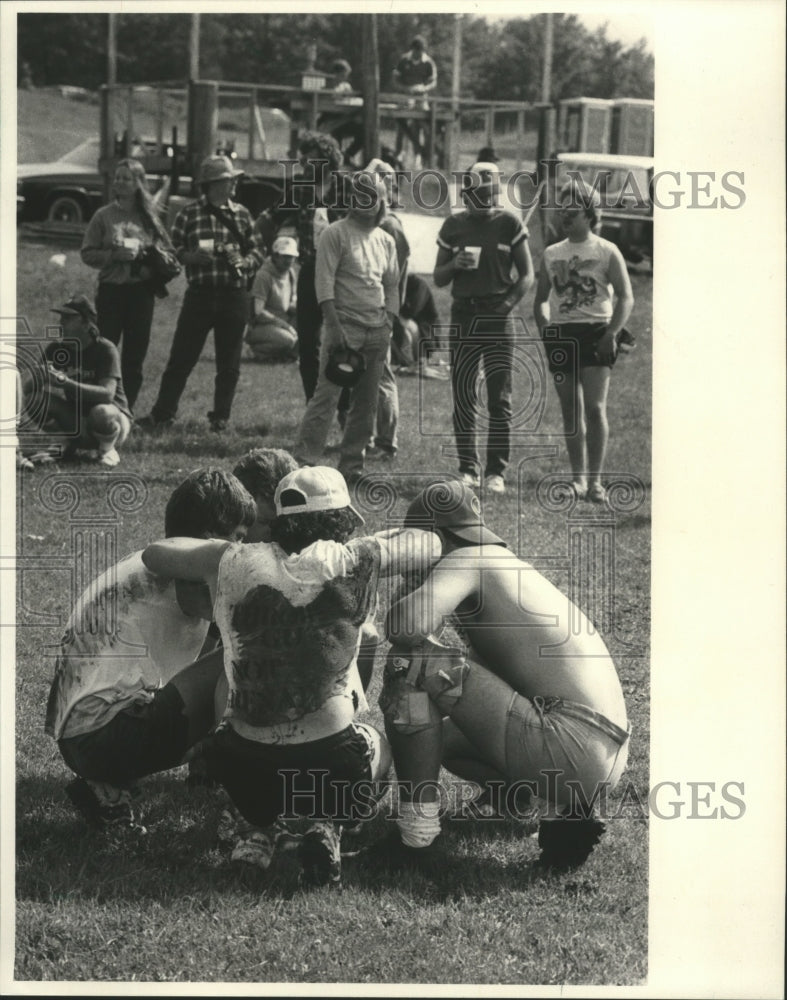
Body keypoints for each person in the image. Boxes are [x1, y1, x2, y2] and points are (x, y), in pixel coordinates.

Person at [141, 465, 443, 886]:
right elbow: (429, 543)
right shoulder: (357, 558)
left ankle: (258, 832)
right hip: (333, 763)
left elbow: (155, 552)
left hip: (243, 765)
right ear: (339, 522)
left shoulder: (230, 560)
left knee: (251, 738)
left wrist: (223, 549)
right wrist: (364, 543)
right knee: (380, 747)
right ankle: (328, 824)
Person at [383, 480, 631, 869]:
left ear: (430, 540)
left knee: (410, 663)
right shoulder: (508, 568)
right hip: (607, 755)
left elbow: (405, 629)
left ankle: (417, 838)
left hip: (568, 743)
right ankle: (539, 805)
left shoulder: (466, 561)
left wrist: (413, 583)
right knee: (438, 743)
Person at [44, 469, 257, 831]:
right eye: (238, 538)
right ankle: (243, 796)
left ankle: (107, 787)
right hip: (112, 733)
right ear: (210, 537)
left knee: (228, 649)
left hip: (78, 740)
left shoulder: (144, 563)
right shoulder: (190, 574)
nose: (244, 549)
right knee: (244, 657)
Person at [138, 155, 264, 433]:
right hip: (200, 295)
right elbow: (172, 252)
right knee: (181, 358)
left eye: (233, 180)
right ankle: (163, 413)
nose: (234, 184)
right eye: (229, 180)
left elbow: (257, 250)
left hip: (234, 294)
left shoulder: (242, 214)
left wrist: (245, 263)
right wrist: (191, 257)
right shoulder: (188, 214)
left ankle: (221, 418)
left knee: (229, 362)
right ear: (214, 184)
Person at [433, 161, 534, 495]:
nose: (484, 199)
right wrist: (453, 263)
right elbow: (438, 277)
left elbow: (527, 275)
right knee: (462, 394)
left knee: (499, 398)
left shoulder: (509, 224)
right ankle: (468, 468)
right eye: (478, 193)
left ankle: (496, 471)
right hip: (464, 314)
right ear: (467, 193)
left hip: (497, 315)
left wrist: (507, 306)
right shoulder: (453, 225)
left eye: (489, 193)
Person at [293, 171, 399, 485]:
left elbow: (392, 285)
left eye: (372, 196)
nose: (364, 201)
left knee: (366, 402)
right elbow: (323, 284)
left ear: (381, 200)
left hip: (377, 329)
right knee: (326, 396)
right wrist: (334, 325)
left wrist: (389, 321)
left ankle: (352, 465)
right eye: (359, 194)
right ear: (351, 198)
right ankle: (304, 460)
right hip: (344, 326)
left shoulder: (386, 240)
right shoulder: (335, 233)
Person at [532, 181, 635, 503]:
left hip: (596, 334)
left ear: (589, 214)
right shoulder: (551, 253)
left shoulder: (606, 250)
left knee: (594, 407)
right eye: (561, 211)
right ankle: (577, 479)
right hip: (562, 335)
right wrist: (546, 328)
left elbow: (627, 298)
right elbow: (540, 300)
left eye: (572, 211)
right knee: (570, 409)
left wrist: (611, 334)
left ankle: (596, 481)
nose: (565, 217)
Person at [256, 132, 346, 400]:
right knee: (309, 344)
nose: (306, 163)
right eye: (303, 158)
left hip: (343, 274)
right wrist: (258, 246)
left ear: (328, 159)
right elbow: (269, 218)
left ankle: (343, 405)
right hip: (311, 270)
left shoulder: (348, 186)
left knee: (343, 340)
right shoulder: (300, 187)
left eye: (312, 158)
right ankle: (314, 404)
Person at [80, 158, 175, 412]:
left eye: (126, 178)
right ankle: (96, 407)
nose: (120, 182)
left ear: (138, 184)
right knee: (105, 351)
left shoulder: (150, 218)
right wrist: (113, 256)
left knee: (134, 357)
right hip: (111, 292)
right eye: (118, 177)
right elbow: (87, 252)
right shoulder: (104, 216)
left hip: (141, 294)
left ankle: (125, 410)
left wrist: (150, 268)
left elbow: (168, 253)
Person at [24, 294, 133, 468]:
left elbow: (107, 394)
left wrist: (67, 383)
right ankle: (64, 444)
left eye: (68, 318)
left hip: (112, 421)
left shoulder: (104, 349)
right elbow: (26, 390)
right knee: (34, 400)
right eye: (61, 317)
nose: (61, 322)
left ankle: (107, 450)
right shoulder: (57, 349)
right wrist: (40, 376)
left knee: (101, 412)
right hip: (78, 420)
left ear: (86, 323)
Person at [245, 236, 299, 363]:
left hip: (281, 322)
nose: (288, 260)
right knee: (288, 340)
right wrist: (285, 325)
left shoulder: (290, 273)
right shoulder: (264, 276)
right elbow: (258, 312)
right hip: (260, 325)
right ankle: (256, 351)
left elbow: (291, 302)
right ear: (275, 256)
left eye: (291, 257)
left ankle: (287, 356)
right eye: (284, 256)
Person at [392, 34, 438, 166]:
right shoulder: (404, 60)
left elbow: (433, 82)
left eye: (421, 51)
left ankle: (425, 156)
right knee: (401, 124)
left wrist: (424, 89)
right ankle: (399, 152)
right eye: (416, 51)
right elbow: (395, 78)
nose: (418, 54)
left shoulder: (428, 62)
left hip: (421, 97)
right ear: (412, 49)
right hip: (405, 95)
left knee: (425, 125)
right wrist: (404, 88)